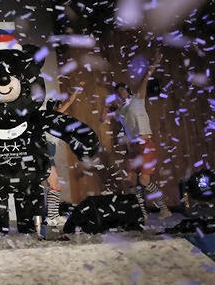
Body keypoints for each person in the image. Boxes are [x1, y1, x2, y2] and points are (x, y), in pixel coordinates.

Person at [100, 49, 171, 220]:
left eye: (123, 90)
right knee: (131, 180)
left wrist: (155, 63)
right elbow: (102, 119)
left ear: (128, 91)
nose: (121, 93)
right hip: (133, 147)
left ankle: (164, 209)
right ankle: (142, 214)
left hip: (145, 143)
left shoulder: (138, 99)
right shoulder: (120, 111)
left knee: (145, 181)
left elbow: (145, 78)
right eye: (118, 92)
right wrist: (105, 106)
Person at [44, 81, 85, 225]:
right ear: (55, 108)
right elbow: (69, 102)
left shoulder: (52, 120)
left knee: (55, 186)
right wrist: (77, 90)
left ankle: (53, 216)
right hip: (46, 157)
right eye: (60, 106)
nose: (64, 110)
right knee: (54, 185)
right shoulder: (53, 117)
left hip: (48, 157)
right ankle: (51, 217)